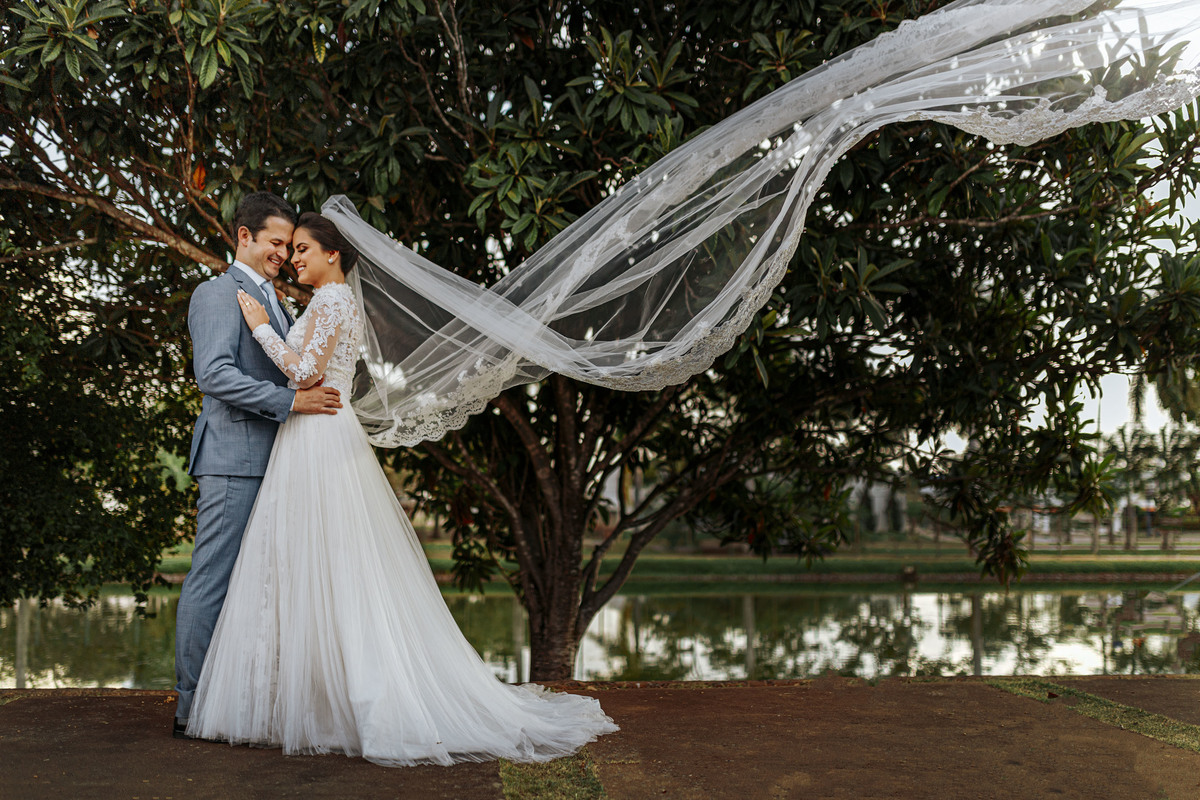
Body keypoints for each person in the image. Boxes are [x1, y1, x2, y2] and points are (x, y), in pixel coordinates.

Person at [185, 213, 617, 765]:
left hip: (317, 435)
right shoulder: (313, 299)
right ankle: (303, 696)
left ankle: (340, 698)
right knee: (311, 565)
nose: (293, 259)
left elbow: (305, 374)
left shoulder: (330, 301)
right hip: (306, 436)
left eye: (302, 249)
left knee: (330, 566)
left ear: (333, 254)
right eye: (288, 249)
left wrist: (262, 328)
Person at [174, 193, 343, 739]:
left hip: (282, 461)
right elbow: (215, 374)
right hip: (234, 459)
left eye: (289, 246)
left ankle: (247, 700)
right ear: (243, 236)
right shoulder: (216, 293)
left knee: (267, 585)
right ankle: (192, 706)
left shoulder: (279, 301)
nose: (282, 254)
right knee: (214, 579)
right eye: (275, 242)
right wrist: (292, 402)